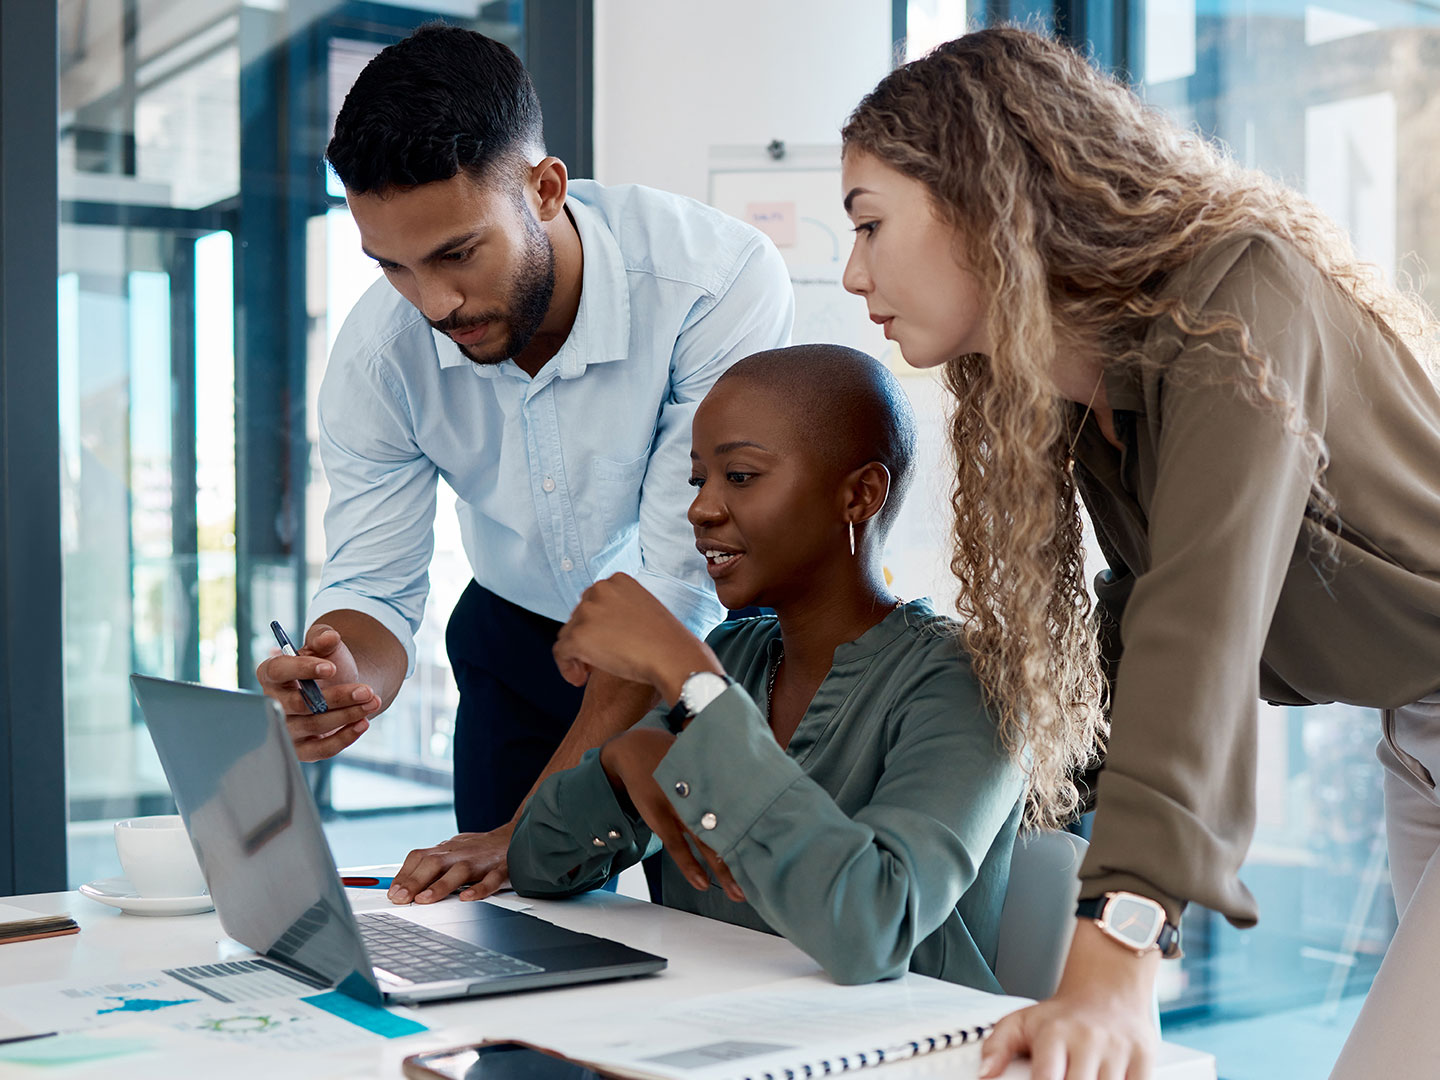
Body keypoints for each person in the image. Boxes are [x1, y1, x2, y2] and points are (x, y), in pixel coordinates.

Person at [838, 26, 1440, 1080]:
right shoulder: (1093, 389)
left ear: (985, 203)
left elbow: (1198, 629)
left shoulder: (1242, 299)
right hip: (1419, 732)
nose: (853, 273)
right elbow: (1135, 627)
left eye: (871, 224)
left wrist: (1118, 957)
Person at [256, 25, 792, 900]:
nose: (434, 302)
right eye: (392, 266)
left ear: (545, 189)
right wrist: (344, 676)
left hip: (696, 650)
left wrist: (526, 830)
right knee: (509, 936)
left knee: (701, 945)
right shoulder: (378, 356)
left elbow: (676, 584)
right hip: (514, 640)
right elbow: (375, 585)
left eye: (457, 254)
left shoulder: (713, 283)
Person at [505, 344, 1029, 988]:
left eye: (742, 476)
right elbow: (536, 864)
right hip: (707, 1039)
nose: (701, 509)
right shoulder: (734, 658)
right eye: (699, 479)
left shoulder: (966, 680)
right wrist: (616, 771)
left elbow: (873, 927)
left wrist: (689, 676)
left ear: (860, 495)